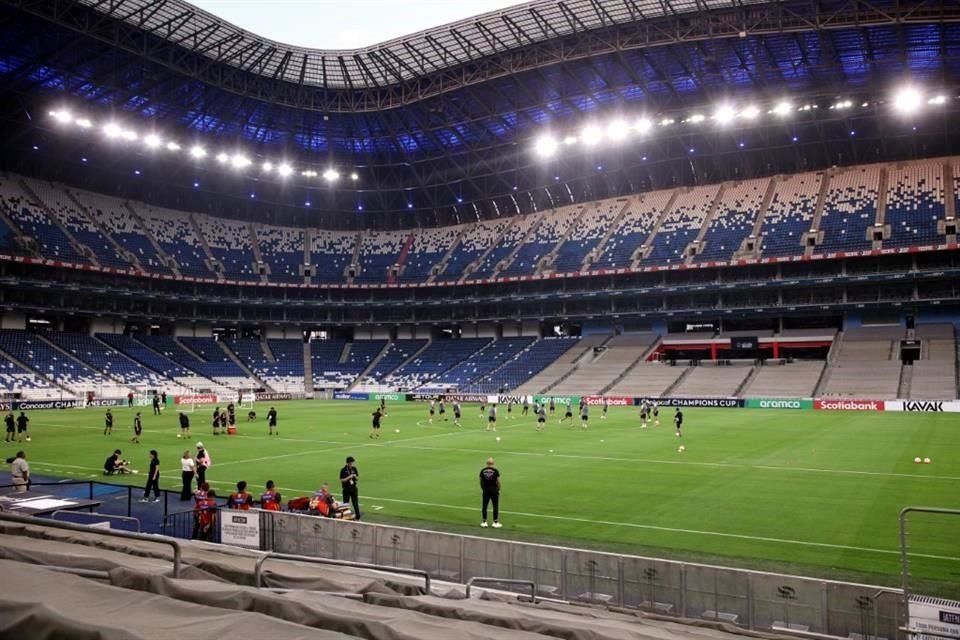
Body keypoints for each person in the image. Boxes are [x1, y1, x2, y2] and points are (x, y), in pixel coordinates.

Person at [479, 457, 502, 528]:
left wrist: (483, 488)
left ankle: (484, 522)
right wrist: (498, 489)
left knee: (484, 506)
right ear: (493, 463)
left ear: (486, 463)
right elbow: (498, 481)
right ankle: (495, 522)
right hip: (494, 490)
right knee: (495, 506)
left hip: (486, 490)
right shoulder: (495, 471)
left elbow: (481, 481)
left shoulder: (482, 471)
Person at [339, 456, 360, 521]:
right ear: (347, 463)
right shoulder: (343, 470)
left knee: (355, 503)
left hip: (353, 488)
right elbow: (342, 480)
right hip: (346, 488)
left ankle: (357, 516)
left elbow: (358, 478)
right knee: (346, 503)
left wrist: (355, 476)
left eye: (352, 463)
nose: (351, 465)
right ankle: (346, 517)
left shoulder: (354, 468)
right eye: (350, 463)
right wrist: (349, 477)